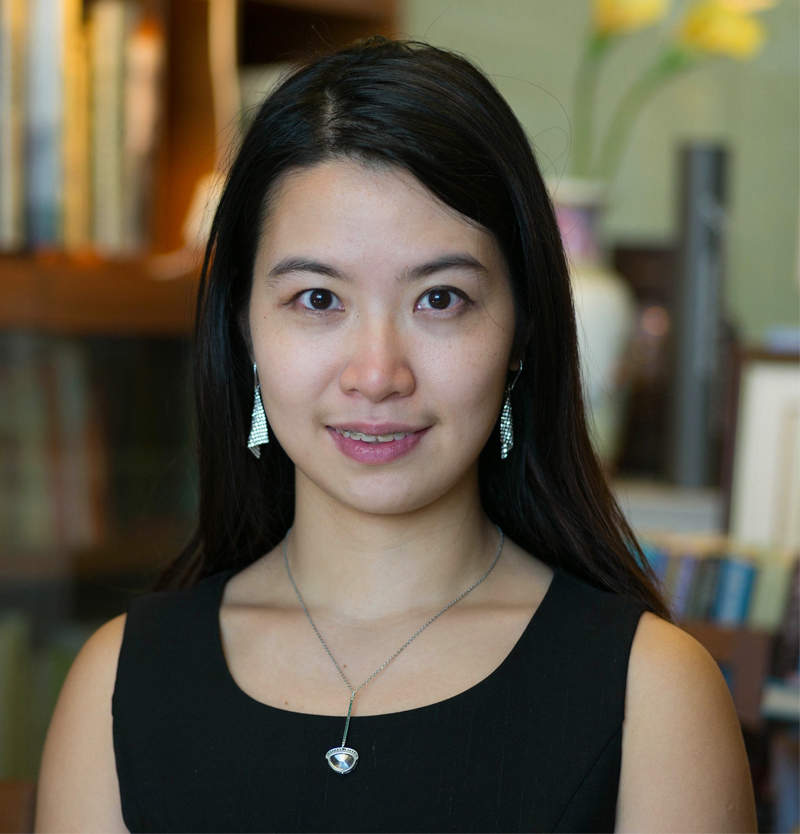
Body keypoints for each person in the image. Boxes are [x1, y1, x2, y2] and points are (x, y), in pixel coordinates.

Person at [35, 37, 756, 833]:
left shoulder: (652, 694)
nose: (377, 374)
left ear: (522, 329)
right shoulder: (119, 685)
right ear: (242, 328)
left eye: (440, 299)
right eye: (318, 300)